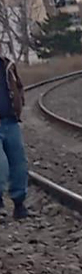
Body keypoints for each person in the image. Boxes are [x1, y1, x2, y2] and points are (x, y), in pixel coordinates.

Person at [0, 53, 28, 220]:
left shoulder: (8, 65)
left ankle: (19, 203)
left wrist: (19, 104)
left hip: (10, 121)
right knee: (1, 165)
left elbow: (19, 86)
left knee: (19, 164)